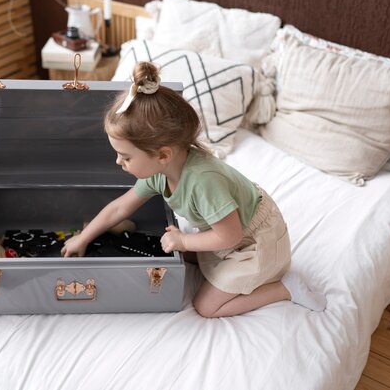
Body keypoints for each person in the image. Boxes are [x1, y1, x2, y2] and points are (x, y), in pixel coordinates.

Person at [61, 61, 326, 317]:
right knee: (179, 254)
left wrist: (185, 240)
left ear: (163, 155)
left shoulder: (204, 181)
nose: (118, 162)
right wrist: (83, 238)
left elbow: (231, 237)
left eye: (125, 157)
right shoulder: (160, 171)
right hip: (227, 232)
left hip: (254, 243)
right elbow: (120, 207)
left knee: (207, 307)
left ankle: (285, 289)